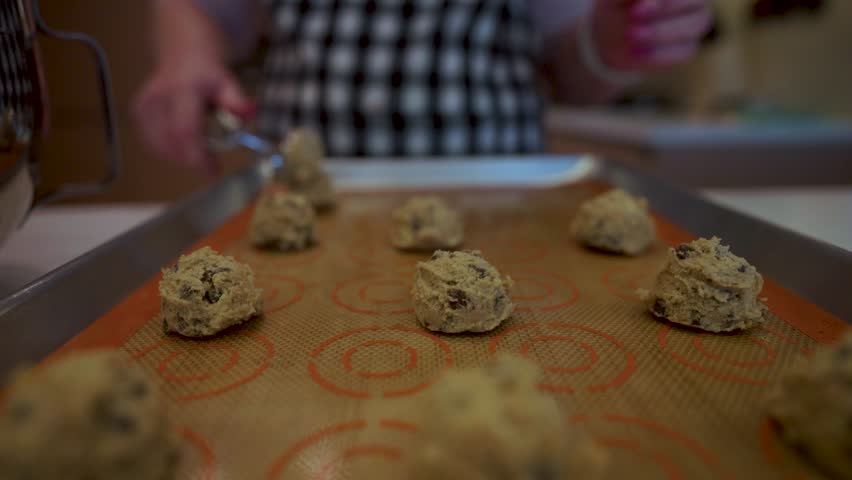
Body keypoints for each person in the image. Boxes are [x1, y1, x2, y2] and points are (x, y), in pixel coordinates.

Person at [134, 0, 710, 173]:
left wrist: (611, 45)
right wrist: (187, 55)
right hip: (304, 197)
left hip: (502, 211)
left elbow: (575, 79)